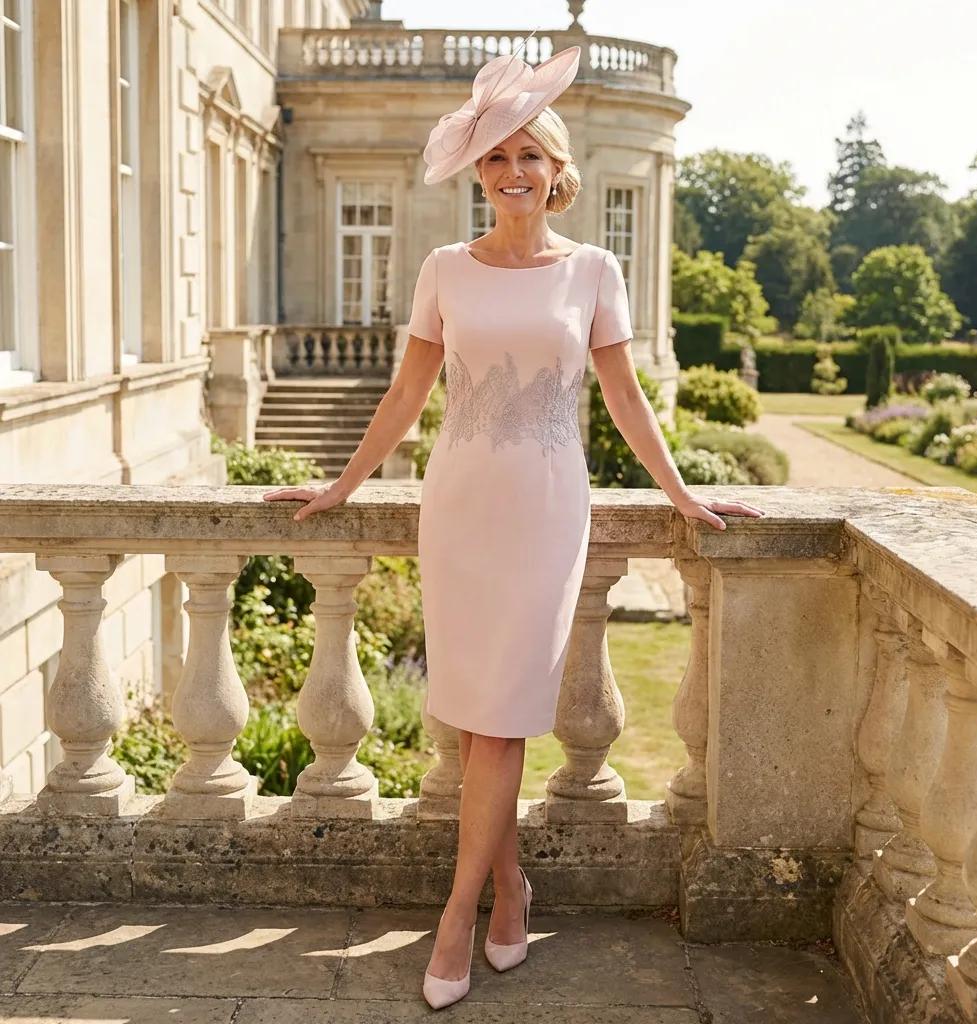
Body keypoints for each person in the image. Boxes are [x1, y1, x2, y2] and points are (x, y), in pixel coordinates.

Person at [265, 42, 765, 1012]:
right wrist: (342, 482)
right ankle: (508, 891)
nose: (514, 171)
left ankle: (455, 917)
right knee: (473, 714)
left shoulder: (592, 271)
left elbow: (623, 398)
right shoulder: (444, 268)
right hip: (459, 507)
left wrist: (682, 495)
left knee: (500, 718)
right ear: (479, 174)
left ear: (557, 168)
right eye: (496, 157)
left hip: (544, 509)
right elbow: (406, 392)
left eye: (529, 154)